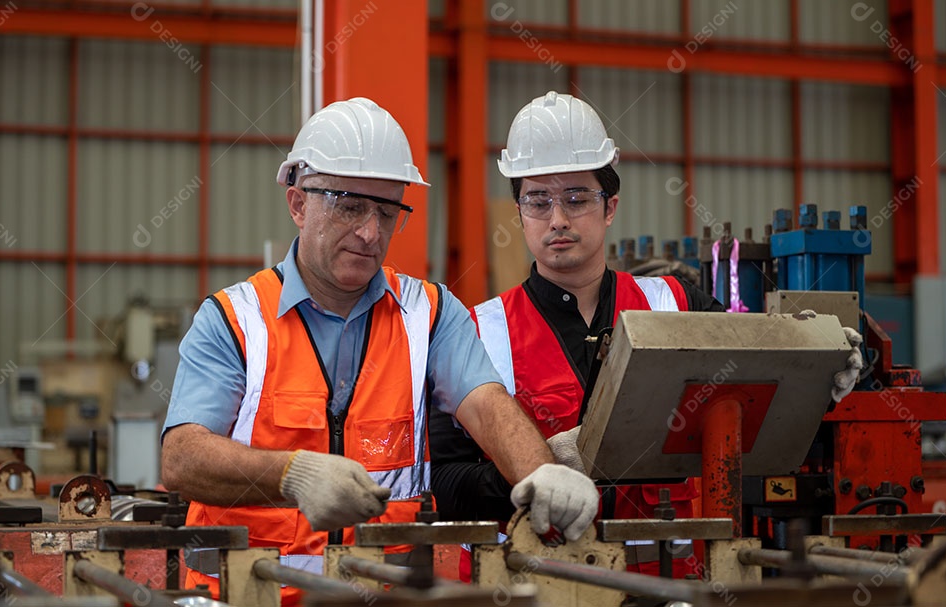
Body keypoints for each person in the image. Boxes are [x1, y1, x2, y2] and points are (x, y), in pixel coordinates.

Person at [159, 97, 599, 604]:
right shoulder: (234, 320)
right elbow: (182, 456)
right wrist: (289, 474)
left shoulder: (429, 313)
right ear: (298, 204)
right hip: (244, 595)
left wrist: (540, 471)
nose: (370, 232)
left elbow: (486, 404)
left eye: (387, 212)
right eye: (350, 207)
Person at [430, 91, 863, 578]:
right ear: (519, 212)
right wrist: (535, 472)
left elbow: (756, 395)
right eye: (538, 201)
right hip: (541, 582)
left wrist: (816, 369)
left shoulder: (678, 304)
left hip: (672, 577)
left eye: (576, 198)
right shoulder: (477, 331)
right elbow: (444, 480)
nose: (557, 219)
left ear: (610, 206)